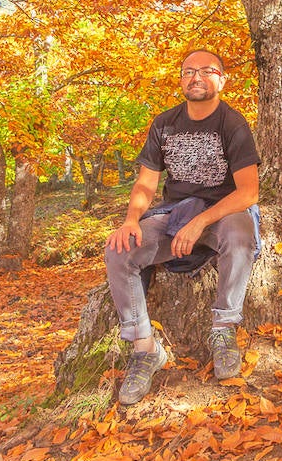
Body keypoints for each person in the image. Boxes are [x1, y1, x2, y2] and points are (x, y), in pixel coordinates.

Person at [104, 48, 261, 405]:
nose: (196, 77)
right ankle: (145, 347)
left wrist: (201, 221)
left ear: (222, 80)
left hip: (222, 213)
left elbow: (248, 192)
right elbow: (146, 184)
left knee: (240, 236)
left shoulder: (233, 124)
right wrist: (130, 220)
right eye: (189, 71)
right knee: (119, 251)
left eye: (206, 70)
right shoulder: (165, 124)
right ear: (181, 80)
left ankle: (223, 330)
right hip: (175, 212)